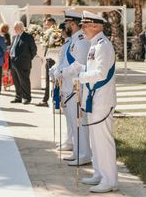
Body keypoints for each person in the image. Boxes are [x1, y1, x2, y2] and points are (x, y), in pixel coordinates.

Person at [67, 11, 118, 193]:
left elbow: (101, 74)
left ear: (95, 26)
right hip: (94, 98)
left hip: (102, 100)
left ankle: (109, 179)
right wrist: (76, 69)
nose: (82, 29)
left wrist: (80, 76)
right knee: (96, 140)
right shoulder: (94, 45)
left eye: (85, 25)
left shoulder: (103, 45)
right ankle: (99, 173)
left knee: (103, 140)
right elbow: (92, 68)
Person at [52, 11, 92, 165]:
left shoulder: (81, 41)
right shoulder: (74, 40)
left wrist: (62, 71)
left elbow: (78, 65)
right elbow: (65, 62)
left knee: (79, 123)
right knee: (73, 122)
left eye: (67, 23)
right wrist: (58, 70)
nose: (66, 26)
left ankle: (84, 154)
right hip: (68, 86)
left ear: (73, 24)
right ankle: (77, 151)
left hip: (76, 87)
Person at [9, 21, 37, 105]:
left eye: (15, 27)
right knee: (16, 81)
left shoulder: (28, 37)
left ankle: (27, 98)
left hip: (23, 63)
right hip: (13, 62)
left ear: (21, 28)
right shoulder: (14, 37)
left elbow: (34, 50)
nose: (14, 29)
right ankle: (18, 97)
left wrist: (28, 59)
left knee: (24, 81)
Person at [37, 17, 58, 107]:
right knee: (47, 80)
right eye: (46, 25)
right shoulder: (47, 34)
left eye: (48, 25)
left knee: (52, 80)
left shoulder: (56, 34)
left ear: (53, 24)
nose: (47, 27)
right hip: (48, 59)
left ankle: (51, 99)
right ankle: (46, 99)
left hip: (54, 60)